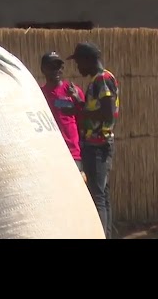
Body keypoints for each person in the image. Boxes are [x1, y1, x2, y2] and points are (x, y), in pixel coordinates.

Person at [62, 42, 119, 239]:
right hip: (99, 145)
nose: (78, 67)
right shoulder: (99, 80)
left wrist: (77, 110)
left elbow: (108, 114)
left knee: (98, 198)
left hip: (98, 146)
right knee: (103, 195)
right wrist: (78, 101)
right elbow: (96, 110)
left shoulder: (102, 79)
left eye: (79, 62)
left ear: (88, 60)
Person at [39, 51, 85, 173]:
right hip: (50, 153)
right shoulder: (39, 94)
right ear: (43, 69)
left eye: (58, 66)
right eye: (51, 67)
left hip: (72, 152)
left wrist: (75, 98)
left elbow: (84, 119)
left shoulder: (73, 92)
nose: (56, 70)